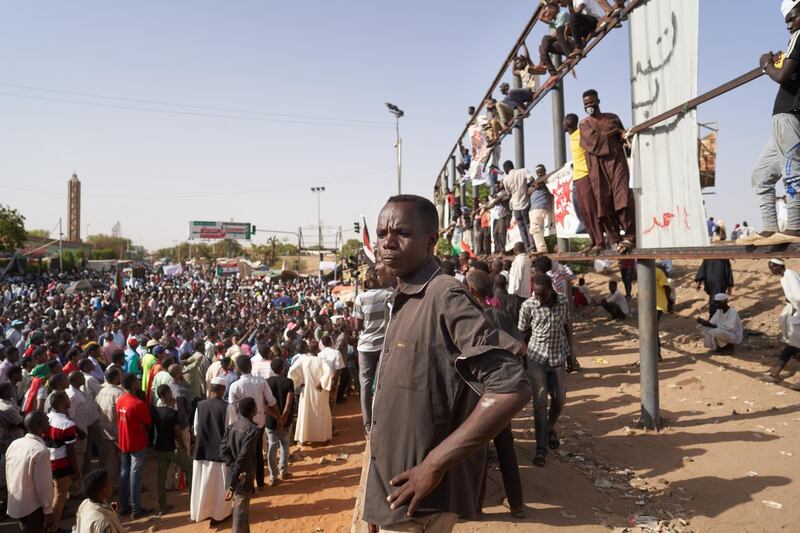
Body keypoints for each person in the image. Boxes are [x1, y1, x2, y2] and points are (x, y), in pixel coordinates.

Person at [362, 195, 529, 532]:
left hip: (421, 502)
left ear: (431, 240)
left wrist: (433, 466)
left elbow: (510, 386)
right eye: (382, 233)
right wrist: (375, 502)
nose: (387, 243)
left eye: (402, 233)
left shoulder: (444, 295)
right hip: (393, 499)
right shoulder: (405, 297)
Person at [465, 270, 525, 519]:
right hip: (502, 392)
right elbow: (521, 347)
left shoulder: (468, 319)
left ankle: (475, 507)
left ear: (471, 291)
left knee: (477, 450)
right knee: (505, 448)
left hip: (478, 393)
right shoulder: (501, 315)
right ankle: (517, 505)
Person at [740, 3, 800, 246]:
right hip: (783, 119)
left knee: (793, 172)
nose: (789, 25)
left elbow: (782, 76)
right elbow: (789, 71)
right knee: (761, 174)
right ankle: (769, 229)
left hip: (789, 116)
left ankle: (795, 228)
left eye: (792, 18)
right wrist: (780, 60)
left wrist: (765, 63)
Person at [518, 274, 571, 467]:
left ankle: (549, 428)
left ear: (550, 289)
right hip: (536, 358)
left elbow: (567, 326)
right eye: (537, 295)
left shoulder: (563, 301)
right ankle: (541, 449)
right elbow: (522, 332)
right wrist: (522, 360)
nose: (539, 298)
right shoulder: (528, 306)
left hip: (558, 356)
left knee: (559, 400)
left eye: (542, 294)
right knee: (539, 405)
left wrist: (572, 355)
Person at [580, 89, 636, 253]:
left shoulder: (613, 118)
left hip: (617, 163)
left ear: (598, 101)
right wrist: (615, 132)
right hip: (598, 168)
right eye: (586, 104)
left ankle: (630, 237)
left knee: (623, 197)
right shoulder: (584, 124)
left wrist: (622, 134)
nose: (589, 106)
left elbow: (623, 138)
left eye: (591, 102)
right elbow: (594, 142)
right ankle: (615, 239)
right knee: (603, 202)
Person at [227, 355, 280, 490]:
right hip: (259, 422)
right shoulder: (260, 381)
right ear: (250, 366)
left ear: (237, 368)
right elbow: (271, 400)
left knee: (244, 455)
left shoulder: (235, 386)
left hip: (242, 426)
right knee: (257, 452)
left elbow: (231, 408)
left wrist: (233, 426)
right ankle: (261, 483)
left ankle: (249, 485)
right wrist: (278, 416)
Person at [352, 266, 394, 434]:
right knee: (384, 382)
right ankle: (384, 420)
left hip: (365, 346)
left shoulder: (360, 298)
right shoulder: (389, 294)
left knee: (365, 384)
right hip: (384, 344)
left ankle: (368, 425)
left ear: (369, 277)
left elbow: (357, 326)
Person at [190, 376, 232, 524]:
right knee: (220, 487)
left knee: (205, 486)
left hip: (202, 452)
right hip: (220, 454)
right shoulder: (228, 407)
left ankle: (205, 512)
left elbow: (195, 430)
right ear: (222, 390)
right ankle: (220, 514)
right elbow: (231, 431)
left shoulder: (200, 406)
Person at [5, 411, 55, 533]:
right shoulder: (41, 451)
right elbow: (43, 485)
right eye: (46, 420)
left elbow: (8, 473)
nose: (49, 420)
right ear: (39, 424)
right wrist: (48, 510)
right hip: (32, 507)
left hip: (16, 502)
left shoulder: (15, 444)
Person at [565, 113, 605, 252]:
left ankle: (600, 241)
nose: (562, 125)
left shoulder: (580, 134)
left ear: (568, 123)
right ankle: (593, 241)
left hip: (585, 176)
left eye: (563, 122)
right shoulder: (571, 137)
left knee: (591, 209)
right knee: (583, 213)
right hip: (577, 178)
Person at [220, 396, 259, 533]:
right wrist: (234, 482)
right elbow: (243, 456)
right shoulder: (253, 430)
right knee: (240, 513)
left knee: (243, 511)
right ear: (252, 410)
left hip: (234, 474)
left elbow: (223, 451)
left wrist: (232, 469)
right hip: (243, 476)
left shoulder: (231, 427)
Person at [116, 373, 152, 518]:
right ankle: (136, 509)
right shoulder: (138, 403)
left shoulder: (120, 400)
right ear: (132, 383)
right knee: (135, 475)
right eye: (136, 380)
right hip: (137, 442)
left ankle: (124, 506)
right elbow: (148, 421)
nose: (138, 381)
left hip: (124, 441)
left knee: (125, 473)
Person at [152, 384, 192, 514]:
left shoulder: (154, 410)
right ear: (166, 394)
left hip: (159, 448)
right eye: (169, 393)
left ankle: (162, 505)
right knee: (189, 468)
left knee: (161, 477)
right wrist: (184, 446)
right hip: (172, 448)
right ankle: (193, 500)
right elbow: (177, 433)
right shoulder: (172, 413)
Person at [47, 390, 80, 532]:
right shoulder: (67, 424)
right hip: (61, 463)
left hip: (47, 462)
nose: (69, 399)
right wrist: (76, 470)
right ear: (61, 403)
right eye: (67, 398)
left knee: (51, 496)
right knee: (59, 496)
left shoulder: (46, 417)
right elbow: (71, 451)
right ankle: (52, 528)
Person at [287, 342, 333, 444]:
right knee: (320, 414)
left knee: (305, 414)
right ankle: (322, 438)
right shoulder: (321, 361)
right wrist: (321, 384)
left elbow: (291, 372)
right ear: (318, 350)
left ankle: (303, 438)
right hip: (319, 392)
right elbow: (329, 373)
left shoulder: (302, 360)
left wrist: (299, 383)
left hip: (306, 391)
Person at [765, 258, 800, 386]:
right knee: (792, 344)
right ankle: (775, 374)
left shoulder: (790, 275)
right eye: (770, 268)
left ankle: (775, 374)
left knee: (794, 343)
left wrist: (792, 303)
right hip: (796, 311)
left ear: (780, 266)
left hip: (798, 310)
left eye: (773, 267)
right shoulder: (785, 276)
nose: (772, 270)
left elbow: (797, 296)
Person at [265, 358, 294, 486]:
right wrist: (283, 418)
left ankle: (273, 476)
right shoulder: (288, 382)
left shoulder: (266, 382)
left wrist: (276, 417)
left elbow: (265, 405)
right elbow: (289, 403)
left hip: (271, 421)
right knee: (285, 444)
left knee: (272, 446)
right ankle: (284, 471)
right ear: (282, 368)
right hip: (286, 420)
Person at [94, 367, 123, 491]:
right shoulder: (118, 393)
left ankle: (111, 485)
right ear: (116, 377)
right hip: (117, 430)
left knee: (110, 459)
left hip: (104, 429)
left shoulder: (100, 391)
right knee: (122, 459)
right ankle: (121, 485)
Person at [502, 160, 535, 252]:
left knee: (521, 228)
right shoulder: (523, 171)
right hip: (525, 203)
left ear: (506, 169)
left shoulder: (505, 179)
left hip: (515, 207)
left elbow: (509, 193)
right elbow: (532, 179)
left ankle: (527, 247)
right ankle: (532, 247)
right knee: (528, 226)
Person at [537, 2, 571, 75]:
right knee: (541, 47)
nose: (545, 14)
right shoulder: (555, 20)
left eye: (546, 12)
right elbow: (540, 18)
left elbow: (558, 34)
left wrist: (551, 36)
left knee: (546, 38)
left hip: (570, 43)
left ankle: (543, 63)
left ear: (553, 9)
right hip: (563, 45)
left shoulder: (563, 14)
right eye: (545, 13)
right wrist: (544, 8)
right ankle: (551, 70)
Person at [530, 164, 553, 254]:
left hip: (539, 206)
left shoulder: (546, 179)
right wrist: (535, 185)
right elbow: (528, 191)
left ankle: (542, 249)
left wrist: (537, 184)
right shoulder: (536, 182)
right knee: (535, 229)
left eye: (541, 171)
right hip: (535, 207)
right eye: (537, 172)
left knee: (535, 228)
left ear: (545, 170)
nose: (539, 174)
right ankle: (541, 249)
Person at [508, 242, 532, 310]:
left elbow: (517, 277)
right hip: (525, 293)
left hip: (518, 294)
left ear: (515, 250)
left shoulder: (519, 260)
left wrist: (512, 292)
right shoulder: (527, 259)